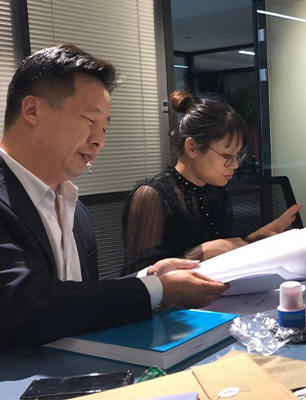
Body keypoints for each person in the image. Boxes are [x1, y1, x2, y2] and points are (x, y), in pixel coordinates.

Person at [0, 44, 229, 350]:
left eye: (104, 128)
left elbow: (77, 299)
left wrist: (149, 276)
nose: (99, 141)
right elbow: (26, 306)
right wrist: (157, 289)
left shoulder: (75, 209)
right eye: (90, 121)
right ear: (32, 110)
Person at [122, 91, 302, 275]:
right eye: (227, 156)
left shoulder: (212, 188)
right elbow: (138, 278)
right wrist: (200, 253)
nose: (234, 165)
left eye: (237, 156)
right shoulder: (151, 196)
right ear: (192, 148)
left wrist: (255, 238)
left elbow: (219, 250)